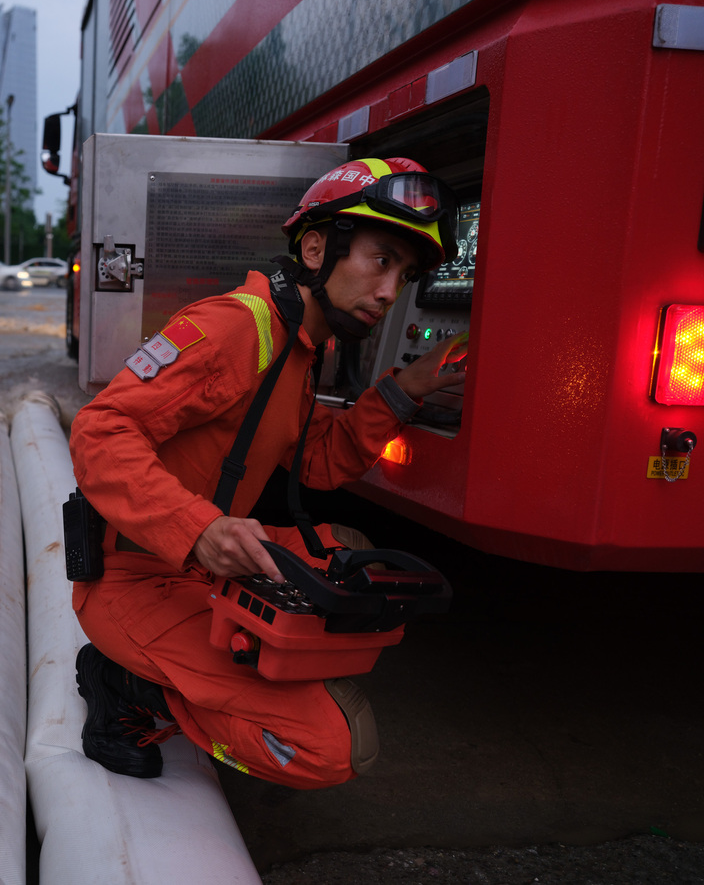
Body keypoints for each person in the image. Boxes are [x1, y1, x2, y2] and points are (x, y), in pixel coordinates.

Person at [67, 157, 469, 787]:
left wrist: (407, 388)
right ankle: (126, 688)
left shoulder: (301, 347)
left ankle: (237, 672)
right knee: (332, 751)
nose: (391, 292)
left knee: (357, 561)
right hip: (133, 580)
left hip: (199, 563)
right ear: (317, 248)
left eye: (406, 275)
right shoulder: (235, 327)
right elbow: (100, 430)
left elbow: (317, 460)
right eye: (380, 260)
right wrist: (199, 529)